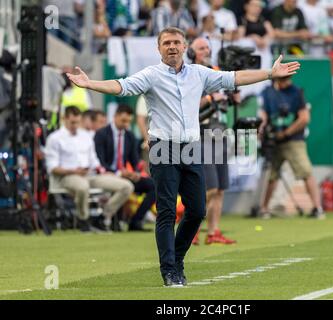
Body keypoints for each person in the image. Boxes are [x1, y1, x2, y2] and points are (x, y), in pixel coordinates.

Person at [66, 27, 300, 287]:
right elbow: (121, 86)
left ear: (184, 46)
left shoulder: (199, 74)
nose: (172, 46)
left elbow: (234, 78)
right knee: (166, 212)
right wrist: (90, 84)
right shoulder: (151, 75)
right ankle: (169, 271)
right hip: (162, 147)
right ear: (159, 49)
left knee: (197, 210)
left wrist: (269, 73)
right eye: (166, 43)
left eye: (176, 42)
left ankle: (176, 259)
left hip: (190, 148)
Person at [45, 106, 134, 232]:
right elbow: (52, 167)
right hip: (66, 177)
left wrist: (103, 171)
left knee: (127, 186)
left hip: (90, 175)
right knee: (82, 187)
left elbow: (94, 160)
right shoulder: (55, 138)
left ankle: (102, 216)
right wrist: (73, 171)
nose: (75, 125)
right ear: (64, 119)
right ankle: (83, 219)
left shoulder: (86, 136)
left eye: (77, 122)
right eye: (72, 122)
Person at [188, 37, 237, 245]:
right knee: (209, 187)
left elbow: (228, 101)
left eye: (207, 47)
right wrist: (209, 99)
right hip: (202, 132)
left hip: (220, 132)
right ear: (191, 52)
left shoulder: (215, 71)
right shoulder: (188, 74)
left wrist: (232, 98)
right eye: (201, 48)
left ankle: (213, 231)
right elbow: (187, 105)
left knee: (220, 187)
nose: (206, 51)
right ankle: (192, 230)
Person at [258, 75, 324, 219]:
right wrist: (263, 131)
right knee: (271, 175)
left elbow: (304, 118)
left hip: (293, 140)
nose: (285, 82)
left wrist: (287, 132)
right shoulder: (268, 92)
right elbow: (263, 115)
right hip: (274, 140)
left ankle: (317, 208)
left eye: (286, 79)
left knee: (305, 171)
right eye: (282, 79)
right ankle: (263, 209)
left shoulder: (295, 92)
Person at [94, 104, 156, 231]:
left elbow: (134, 160)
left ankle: (136, 221)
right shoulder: (101, 134)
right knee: (125, 184)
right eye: (123, 120)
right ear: (115, 117)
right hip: (107, 174)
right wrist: (118, 173)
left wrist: (136, 172)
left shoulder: (129, 136)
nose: (126, 124)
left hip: (125, 176)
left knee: (154, 186)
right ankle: (107, 218)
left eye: (128, 121)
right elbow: (100, 161)